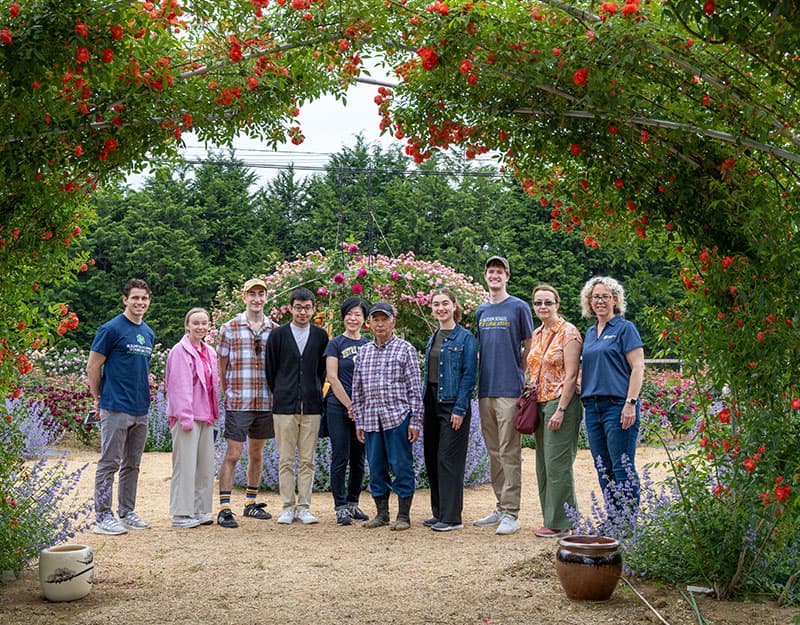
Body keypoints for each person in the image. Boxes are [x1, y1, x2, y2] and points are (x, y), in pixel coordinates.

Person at [87, 278, 155, 535]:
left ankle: (127, 512)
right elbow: (93, 366)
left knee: (132, 464)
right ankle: (103, 517)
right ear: (125, 299)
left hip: (141, 408)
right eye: (135, 298)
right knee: (109, 462)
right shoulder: (111, 329)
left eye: (144, 298)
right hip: (115, 406)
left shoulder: (147, 332)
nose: (140, 302)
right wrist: (97, 399)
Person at [474, 256, 534, 535]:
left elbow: (530, 346)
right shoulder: (481, 311)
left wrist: (520, 374)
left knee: (510, 451)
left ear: (507, 276)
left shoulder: (519, 307)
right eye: (490, 271)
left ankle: (512, 512)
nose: (494, 275)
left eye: (499, 271)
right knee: (494, 452)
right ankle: (500, 506)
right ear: (486, 275)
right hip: (485, 389)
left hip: (509, 389)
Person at [351, 301, 424, 531]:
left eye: (385, 319)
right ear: (369, 323)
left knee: (402, 466)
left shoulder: (405, 349)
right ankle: (382, 514)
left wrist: (415, 421)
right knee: (376, 467)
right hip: (372, 419)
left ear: (393, 321)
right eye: (376, 319)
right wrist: (359, 422)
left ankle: (403, 516)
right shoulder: (363, 352)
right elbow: (358, 391)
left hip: (398, 418)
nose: (380, 324)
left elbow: (415, 389)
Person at [216, 278, 277, 529]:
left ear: (266, 297)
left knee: (257, 453)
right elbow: (221, 366)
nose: (256, 299)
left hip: (265, 400)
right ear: (244, 297)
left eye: (260, 294)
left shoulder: (274, 329)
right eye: (252, 294)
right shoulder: (229, 327)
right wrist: (226, 394)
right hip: (239, 400)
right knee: (233, 453)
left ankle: (251, 503)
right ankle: (224, 508)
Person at [580, 276, 645, 508]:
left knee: (622, 465)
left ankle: (628, 525)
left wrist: (630, 403)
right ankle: (613, 520)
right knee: (602, 466)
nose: (600, 301)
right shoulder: (589, 333)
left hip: (618, 406)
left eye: (605, 296)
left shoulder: (625, 328)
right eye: (595, 297)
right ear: (589, 301)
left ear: (615, 300)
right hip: (593, 408)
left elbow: (638, 367)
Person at [265, 287, 329, 525]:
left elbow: (322, 371)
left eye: (307, 307)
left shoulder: (321, 336)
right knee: (285, 459)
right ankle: (287, 506)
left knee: (307, 460)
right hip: (284, 405)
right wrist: (283, 390)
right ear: (290, 308)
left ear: (314, 309)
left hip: (312, 405)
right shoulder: (278, 335)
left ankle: (304, 506)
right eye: (298, 307)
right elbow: (270, 369)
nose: (303, 312)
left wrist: (312, 389)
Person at [525, 284, 583, 538]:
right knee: (543, 465)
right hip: (539, 401)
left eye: (548, 302)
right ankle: (551, 517)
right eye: (538, 303)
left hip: (561, 402)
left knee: (558, 463)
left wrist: (560, 409)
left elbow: (571, 376)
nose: (542, 307)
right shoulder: (537, 333)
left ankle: (563, 522)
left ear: (557, 304)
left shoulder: (569, 333)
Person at [422, 288, 478, 532]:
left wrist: (460, 408)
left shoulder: (465, 338)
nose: (441, 308)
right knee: (432, 458)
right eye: (436, 304)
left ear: (455, 306)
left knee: (448, 459)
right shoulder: (433, 336)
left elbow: (469, 376)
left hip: (452, 404)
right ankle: (439, 513)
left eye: (445, 303)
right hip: (431, 402)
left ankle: (452, 517)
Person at [165, 308, 220, 529]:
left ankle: (198, 509)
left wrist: (214, 414)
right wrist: (185, 417)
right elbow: (179, 387)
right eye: (195, 323)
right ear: (187, 325)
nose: (200, 327)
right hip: (186, 416)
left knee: (204, 466)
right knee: (185, 465)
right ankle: (181, 513)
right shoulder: (180, 351)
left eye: (204, 323)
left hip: (205, 415)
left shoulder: (209, 352)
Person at [324, 297, 371, 527]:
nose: (353, 318)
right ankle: (340, 507)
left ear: (365, 319)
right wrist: (350, 405)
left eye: (358, 314)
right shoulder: (335, 344)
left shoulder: (369, 345)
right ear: (344, 317)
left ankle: (353, 502)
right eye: (349, 314)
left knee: (359, 459)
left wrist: (360, 406)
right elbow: (332, 376)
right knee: (340, 456)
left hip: (363, 410)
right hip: (337, 406)